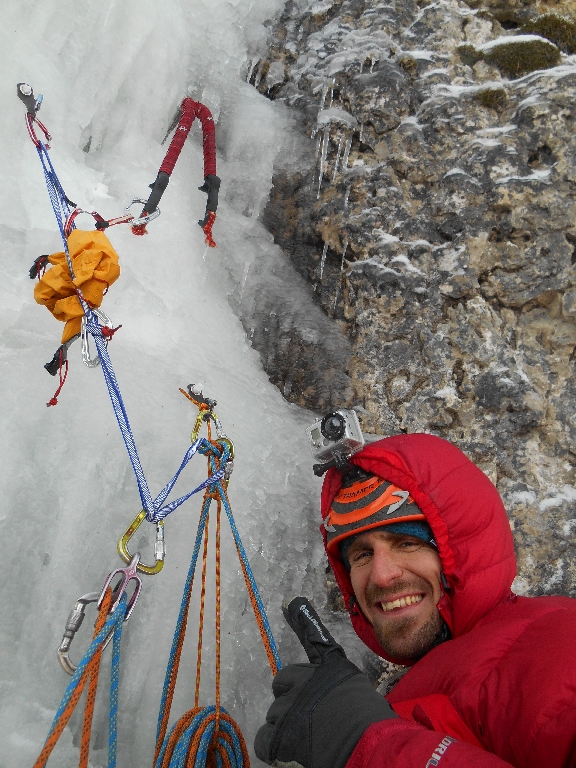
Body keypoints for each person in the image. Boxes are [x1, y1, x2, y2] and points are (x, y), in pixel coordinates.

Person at [255, 433, 576, 768]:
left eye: (407, 542)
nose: (381, 575)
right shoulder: (431, 681)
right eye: (362, 554)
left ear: (461, 551)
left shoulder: (560, 645)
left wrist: (365, 744)